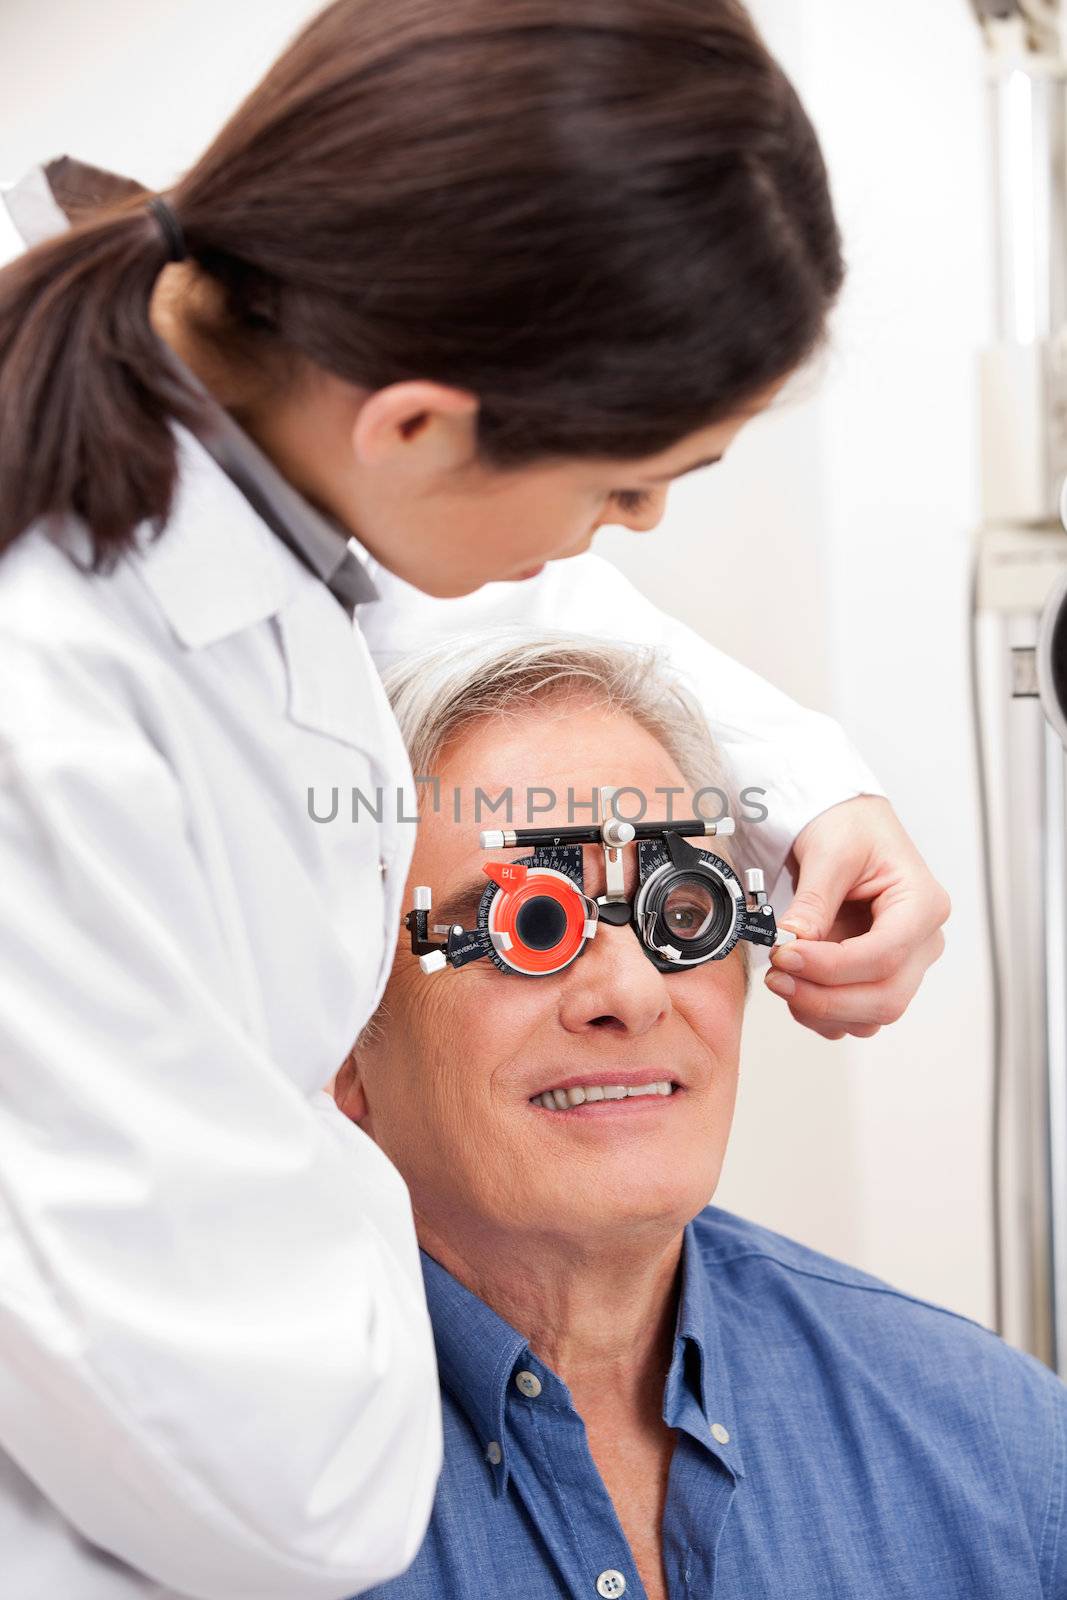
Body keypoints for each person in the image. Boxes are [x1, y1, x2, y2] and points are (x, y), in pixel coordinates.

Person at [0, 3, 949, 1596]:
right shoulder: (54, 721)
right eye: (618, 484)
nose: (620, 990)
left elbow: (482, 598)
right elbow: (282, 1489)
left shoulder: (974, 1444)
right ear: (417, 427)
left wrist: (808, 784)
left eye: (679, 907)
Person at [335, 630, 1066, 1600]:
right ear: (343, 1032)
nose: (630, 994)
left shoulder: (998, 1446)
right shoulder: (224, 1495)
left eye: (681, 914)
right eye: (534, 923)